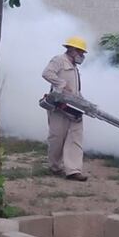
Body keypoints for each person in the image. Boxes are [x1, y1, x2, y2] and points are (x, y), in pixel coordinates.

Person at [42, 36, 89, 181]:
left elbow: (75, 89)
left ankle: (73, 170)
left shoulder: (74, 67)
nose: (82, 56)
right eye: (80, 52)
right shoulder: (59, 60)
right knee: (57, 137)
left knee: (75, 137)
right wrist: (62, 84)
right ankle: (55, 166)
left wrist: (83, 102)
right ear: (73, 50)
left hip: (73, 106)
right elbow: (47, 73)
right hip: (59, 106)